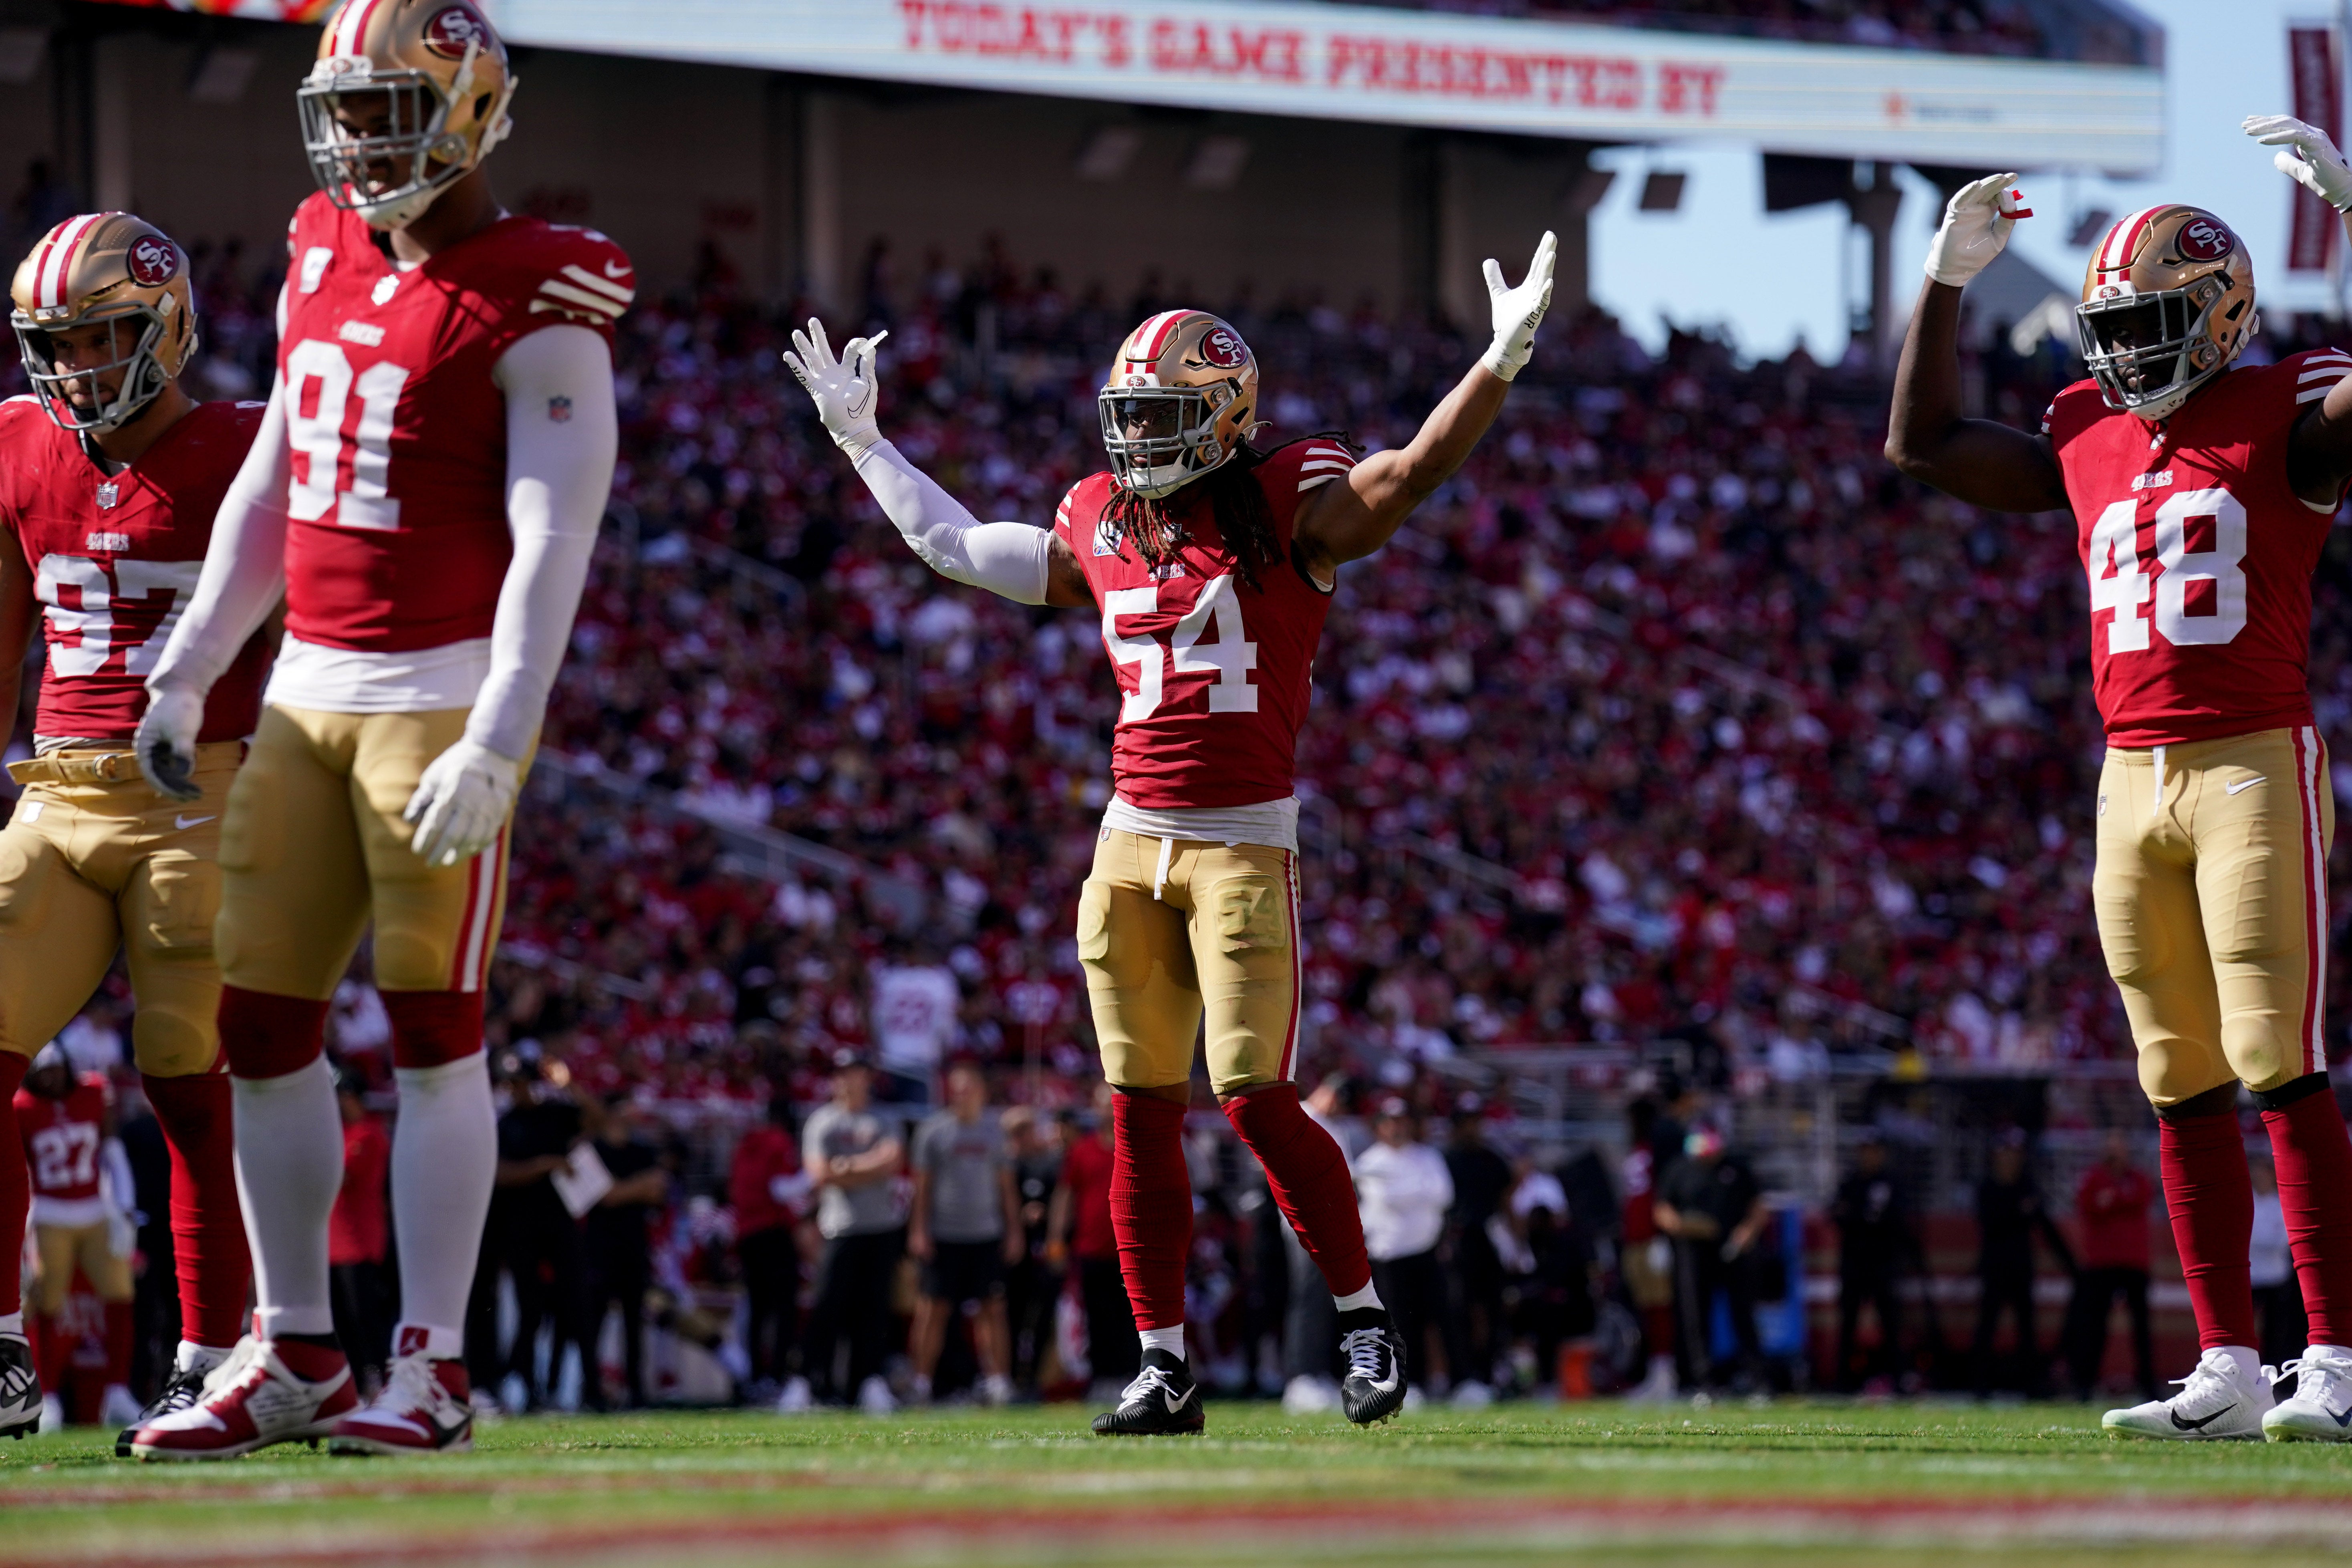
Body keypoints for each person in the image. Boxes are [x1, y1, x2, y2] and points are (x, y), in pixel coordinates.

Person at [788, 227, 1557, 1435]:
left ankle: (1362, 1318)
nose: (1135, 440)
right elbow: (953, 544)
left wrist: (1496, 365)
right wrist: (863, 441)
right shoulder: (1099, 515)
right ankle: (1164, 1363)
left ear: (1228, 413)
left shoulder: (1284, 493)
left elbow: (1406, 476)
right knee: (1138, 1115)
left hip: (1241, 840)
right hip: (1124, 844)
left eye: (1161, 416)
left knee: (1253, 1096)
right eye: (1129, 415)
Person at [132, 0, 631, 1460]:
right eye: (340, 109)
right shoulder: (317, 245)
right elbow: (277, 472)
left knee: (432, 1028)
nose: (356, 140)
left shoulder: (540, 287)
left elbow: (554, 531)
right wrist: (193, 659)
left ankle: (434, 1358)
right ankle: (296, 1348)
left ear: (473, 109)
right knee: (258, 1025)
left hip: (439, 689)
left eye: (386, 109)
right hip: (307, 691)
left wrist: (500, 731)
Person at [1887, 120, 2352, 1441]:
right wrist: (1942, 282)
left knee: (2279, 1056)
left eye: (2153, 323)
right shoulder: (2090, 428)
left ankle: (2337, 1356)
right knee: (2176, 1071)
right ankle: (2223, 1359)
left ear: (2221, 317)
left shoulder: (2286, 417)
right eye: (2117, 327)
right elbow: (1920, 446)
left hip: (2253, 760)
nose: (2124, 353)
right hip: (2127, 776)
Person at [0, 210, 257, 1448]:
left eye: (104, 338)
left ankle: (214, 1351)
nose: (80, 368)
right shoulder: (15, 442)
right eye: (59, 342)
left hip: (200, 785)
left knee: (186, 1079)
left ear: (165, 323)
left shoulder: (250, 448)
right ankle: (4, 1345)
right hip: (54, 786)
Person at [14, 1045, 138, 1432]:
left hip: (95, 1210)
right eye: (43, 1072)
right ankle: (47, 1396)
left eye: (55, 1069)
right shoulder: (21, 1108)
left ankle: (118, 1392)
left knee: (120, 1295)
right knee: (46, 1304)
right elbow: (21, 1172)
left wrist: (124, 1206)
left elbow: (113, 1151)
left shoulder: (93, 1092)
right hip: (50, 1213)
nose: (50, 1078)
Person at [907, 1060, 1021, 1405]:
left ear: (981, 1091)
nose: (961, 1095)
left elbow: (1007, 1187)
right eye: (956, 1088)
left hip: (986, 1233)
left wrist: (1014, 1230)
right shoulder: (933, 1132)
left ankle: (999, 1381)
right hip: (943, 1234)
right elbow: (921, 1188)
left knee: (993, 1309)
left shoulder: (994, 1132)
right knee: (932, 1311)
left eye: (968, 1087)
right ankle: (920, 1383)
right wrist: (918, 1230)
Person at [800, 1050, 905, 1413]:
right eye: (841, 1072)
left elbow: (891, 1161)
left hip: (881, 1226)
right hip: (839, 1227)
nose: (847, 1079)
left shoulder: (883, 1118)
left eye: (854, 1071)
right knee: (828, 1306)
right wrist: (865, 1165)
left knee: (874, 1310)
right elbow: (819, 1173)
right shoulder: (822, 1122)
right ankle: (812, 1382)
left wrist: (845, 1166)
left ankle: (869, 1382)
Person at [1655, 1126, 1767, 1393]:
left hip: (1732, 1249)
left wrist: (1747, 1233)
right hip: (1693, 1252)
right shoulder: (1679, 1168)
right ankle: (1701, 1381)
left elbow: (1758, 1207)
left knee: (1743, 1314)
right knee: (1694, 1317)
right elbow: (1662, 1209)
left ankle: (1757, 1379)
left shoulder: (1737, 1168)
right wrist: (1685, 1227)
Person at [1353, 1099, 1453, 1398]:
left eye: (1402, 1121)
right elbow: (1388, 1199)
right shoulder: (1370, 1163)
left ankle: (1446, 1382)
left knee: (1439, 1319)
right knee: (1398, 1323)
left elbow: (1444, 1195)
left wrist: (1408, 1192)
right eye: (1390, 1121)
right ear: (1379, 1126)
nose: (1397, 1128)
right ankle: (1404, 1384)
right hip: (1389, 1255)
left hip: (1426, 1251)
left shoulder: (1427, 1157)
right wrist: (1419, 1191)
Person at [582, 1094, 671, 1410]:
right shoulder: (592, 1150)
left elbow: (657, 1190)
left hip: (635, 1246)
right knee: (595, 1321)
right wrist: (636, 1188)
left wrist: (622, 1190)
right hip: (600, 1248)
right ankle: (590, 1392)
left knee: (636, 1323)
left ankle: (637, 1392)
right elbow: (606, 1197)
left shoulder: (644, 1150)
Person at [1971, 1131, 2074, 1398]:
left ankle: (2031, 1386)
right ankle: (1980, 1385)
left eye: (2014, 1153)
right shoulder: (1988, 1187)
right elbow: (1991, 1222)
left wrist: (2071, 1266)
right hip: (1994, 1268)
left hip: (2020, 1267)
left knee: (2026, 1328)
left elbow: (2044, 1226)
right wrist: (2017, 1212)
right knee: (1987, 1325)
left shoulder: (2026, 1187)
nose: (2010, 1159)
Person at [1048, 1089, 1135, 1397]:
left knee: (1130, 1319)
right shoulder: (1082, 1151)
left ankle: (1131, 1378)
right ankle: (1102, 1379)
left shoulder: (1135, 1147)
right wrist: (1056, 1240)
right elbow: (1065, 1196)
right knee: (1098, 1319)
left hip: (1130, 1251)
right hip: (1091, 1250)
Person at [2064, 1132, 2157, 1405]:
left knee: (2141, 1329)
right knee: (2093, 1327)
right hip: (2101, 1264)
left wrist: (2112, 1200)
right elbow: (2088, 1205)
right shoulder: (2093, 1178)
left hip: (2133, 1263)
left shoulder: (2136, 1178)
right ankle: (2084, 1385)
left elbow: (2138, 1198)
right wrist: (2118, 1200)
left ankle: (2147, 1385)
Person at [730, 1087, 809, 1407]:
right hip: (773, 1234)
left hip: (747, 1235)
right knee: (784, 1311)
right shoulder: (777, 1141)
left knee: (758, 1311)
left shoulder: (746, 1146)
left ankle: (754, 1377)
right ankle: (776, 1376)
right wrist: (817, 1176)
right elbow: (781, 1190)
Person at [1441, 1096, 1512, 1401]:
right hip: (1455, 1240)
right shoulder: (1444, 1159)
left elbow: (1506, 1196)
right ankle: (1461, 1375)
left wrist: (1514, 1241)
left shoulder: (1491, 1159)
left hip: (1486, 1237)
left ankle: (1487, 1372)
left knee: (1493, 1308)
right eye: (1467, 1122)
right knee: (1458, 1310)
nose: (1473, 1128)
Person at [329, 1070, 393, 1397]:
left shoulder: (369, 1134)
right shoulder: (339, 1133)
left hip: (360, 1242)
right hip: (334, 1243)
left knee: (364, 1318)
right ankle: (355, 1383)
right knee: (342, 1321)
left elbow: (344, 1177)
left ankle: (380, 1378)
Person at [1830, 1135, 1911, 1393]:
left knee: (1891, 1323)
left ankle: (1898, 1380)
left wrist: (1860, 1218)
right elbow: (1837, 1215)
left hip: (1883, 1264)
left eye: (1874, 1151)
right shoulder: (1850, 1182)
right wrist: (1864, 1219)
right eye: (1865, 1150)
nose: (1869, 1156)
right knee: (1848, 1323)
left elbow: (1897, 1221)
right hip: (1854, 1264)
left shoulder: (1892, 1183)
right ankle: (1843, 1382)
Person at [1619, 1097, 1678, 1401]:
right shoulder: (1636, 1149)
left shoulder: (1657, 1148)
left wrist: (1661, 1236)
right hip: (1635, 1239)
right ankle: (1655, 1372)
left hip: (1651, 1237)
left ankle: (1666, 1374)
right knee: (1647, 1307)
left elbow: (1663, 1193)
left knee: (1660, 1306)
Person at [1002, 1104, 1061, 1392]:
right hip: (1010, 1255)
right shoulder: (1003, 1166)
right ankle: (1010, 1376)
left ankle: (1035, 1377)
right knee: (1010, 1316)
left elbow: (1062, 1204)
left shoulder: (1050, 1164)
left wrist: (1044, 1212)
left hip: (1042, 1253)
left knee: (1041, 1316)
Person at [2251, 1158, 2310, 1369]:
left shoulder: (2282, 1204)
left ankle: (2274, 1375)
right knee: (2244, 1331)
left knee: (2276, 1332)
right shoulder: (2247, 1204)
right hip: (2250, 1277)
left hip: (2277, 1278)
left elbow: (2284, 1240)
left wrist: (2258, 1241)